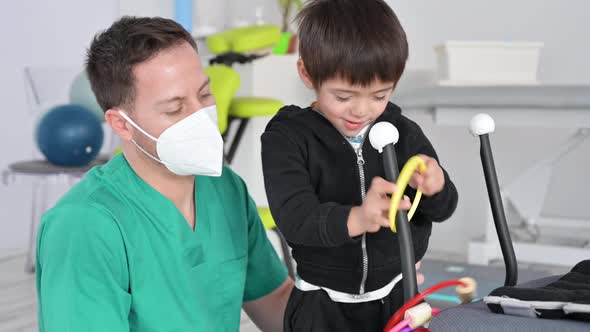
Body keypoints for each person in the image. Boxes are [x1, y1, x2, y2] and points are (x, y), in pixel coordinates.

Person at [35, 16, 292, 332]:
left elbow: (276, 300)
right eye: (175, 108)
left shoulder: (226, 190)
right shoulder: (85, 226)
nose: (201, 116)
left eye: (205, 94)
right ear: (122, 124)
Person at [261, 0, 459, 330]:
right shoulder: (287, 138)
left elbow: (443, 208)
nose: (362, 110)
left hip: (400, 295)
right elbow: (295, 218)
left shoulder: (403, 132)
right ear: (307, 73)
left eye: (379, 95)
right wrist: (357, 218)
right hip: (321, 304)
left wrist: (437, 186)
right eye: (343, 96)